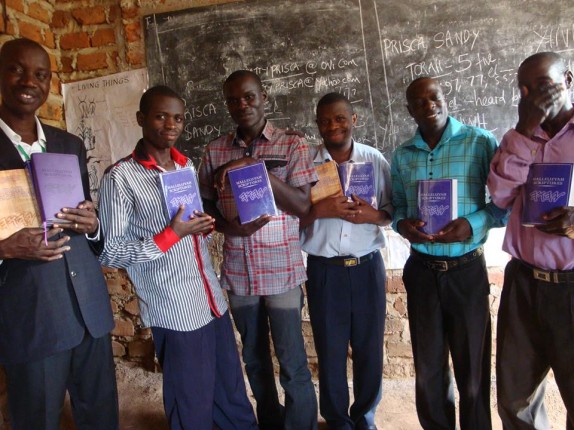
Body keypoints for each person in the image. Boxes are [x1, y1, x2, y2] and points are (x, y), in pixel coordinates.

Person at [98, 85, 258, 430]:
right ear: (141, 119)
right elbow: (111, 251)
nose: (171, 124)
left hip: (210, 298)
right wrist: (172, 234)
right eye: (160, 115)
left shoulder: (185, 167)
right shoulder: (121, 177)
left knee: (230, 394)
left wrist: (201, 227)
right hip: (175, 308)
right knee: (192, 403)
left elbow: (188, 228)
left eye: (178, 118)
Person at [0, 38, 119, 430]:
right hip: (31, 313)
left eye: (40, 74)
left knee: (100, 415)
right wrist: (4, 248)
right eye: (17, 69)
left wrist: (94, 223)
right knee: (36, 418)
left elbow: (84, 213)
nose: (28, 81)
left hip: (87, 306)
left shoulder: (68, 144)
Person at [198, 70, 318, 430]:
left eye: (249, 97)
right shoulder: (215, 150)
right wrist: (227, 226)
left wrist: (256, 167)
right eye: (233, 100)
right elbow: (205, 207)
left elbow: (302, 205)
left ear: (264, 97)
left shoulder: (292, 145)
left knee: (292, 359)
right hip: (238, 273)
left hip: (281, 272)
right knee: (253, 358)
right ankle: (269, 421)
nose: (242, 105)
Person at [391, 76, 507, 430]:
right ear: (410, 110)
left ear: (445, 97)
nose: (429, 105)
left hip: (466, 271)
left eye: (434, 96)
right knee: (428, 368)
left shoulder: (480, 142)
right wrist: (402, 225)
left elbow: (503, 206)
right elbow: (396, 207)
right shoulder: (402, 155)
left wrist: (470, 224)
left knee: (472, 367)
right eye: (419, 101)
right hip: (422, 270)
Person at [488, 51, 574, 429]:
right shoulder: (518, 136)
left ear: (568, 80)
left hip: (571, 287)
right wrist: (524, 132)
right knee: (514, 396)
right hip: (523, 282)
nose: (531, 94)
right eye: (524, 88)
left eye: (542, 84)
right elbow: (500, 197)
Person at [299, 92, 392, 429]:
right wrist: (318, 210)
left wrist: (373, 215)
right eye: (325, 120)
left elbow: (391, 213)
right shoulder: (307, 165)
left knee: (369, 349)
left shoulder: (375, 160)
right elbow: (292, 220)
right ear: (318, 125)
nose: (333, 125)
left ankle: (365, 416)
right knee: (331, 349)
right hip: (325, 271)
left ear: (354, 120)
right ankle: (338, 419)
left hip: (367, 267)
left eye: (339, 118)